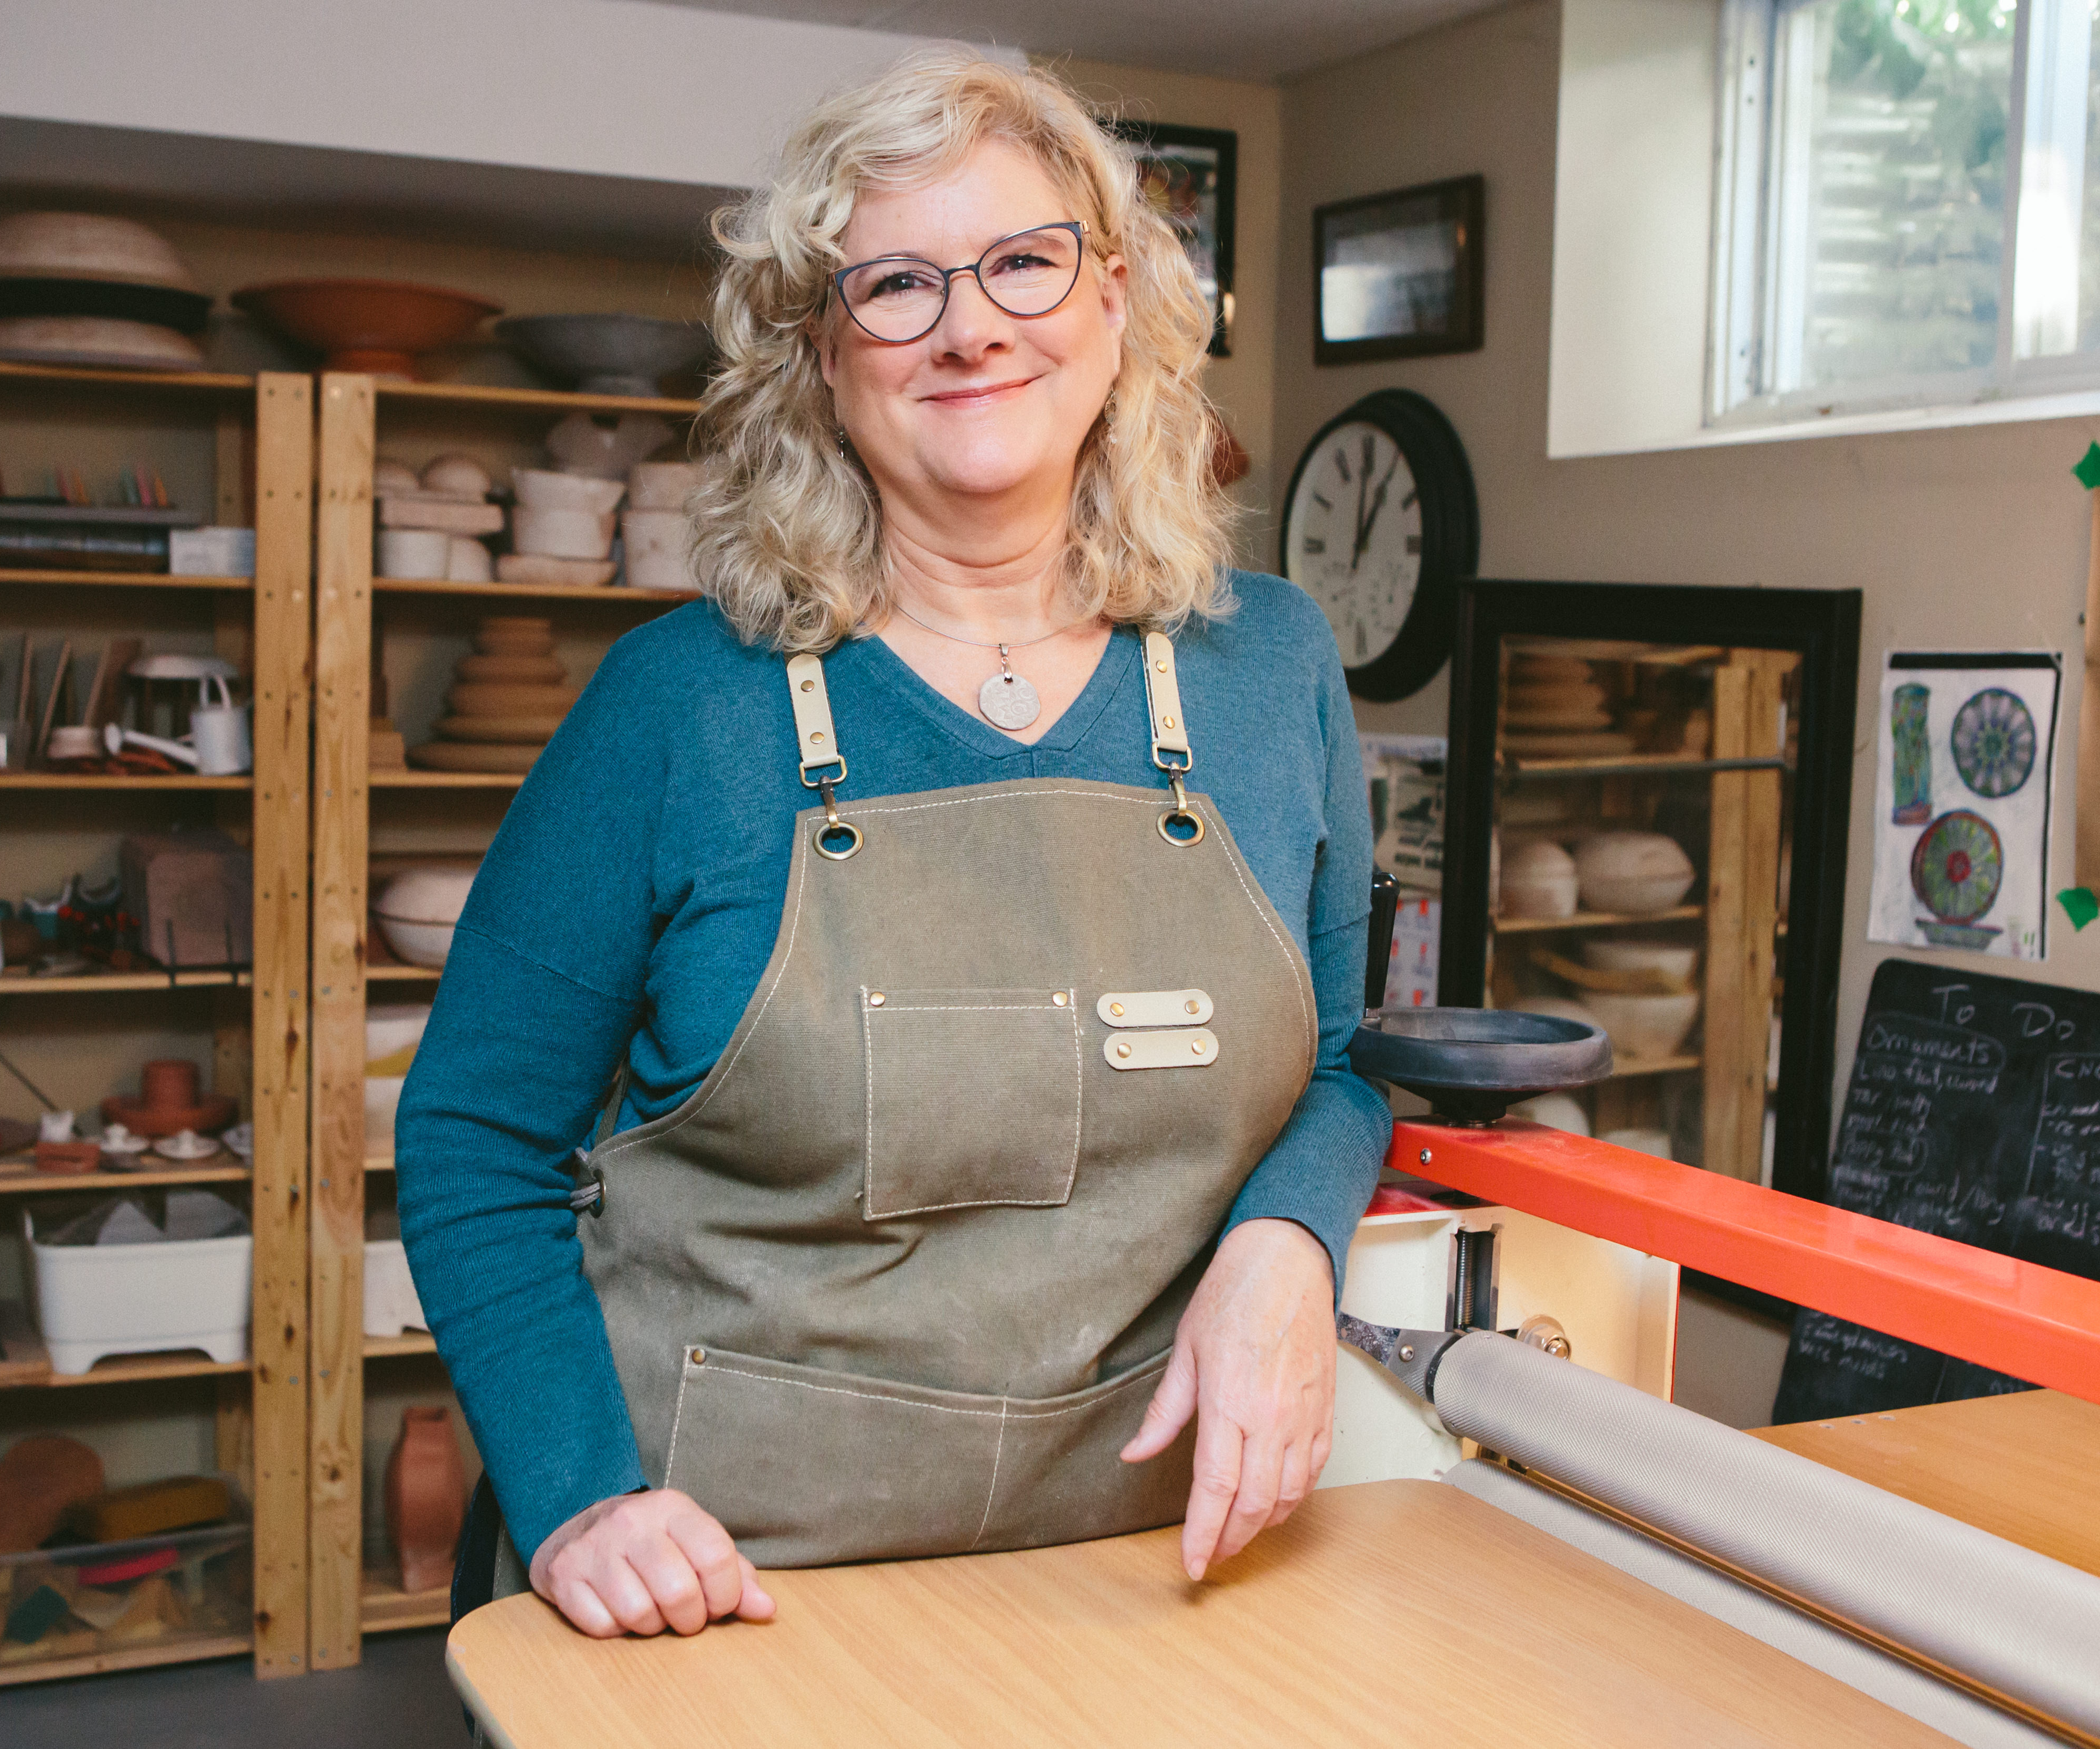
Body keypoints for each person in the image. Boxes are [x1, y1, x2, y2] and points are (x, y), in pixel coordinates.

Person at [396, 49, 1389, 1641]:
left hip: (1141, 1577)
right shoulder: (680, 709)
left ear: (1115, 301)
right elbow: (471, 1135)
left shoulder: (1271, 670)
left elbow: (1343, 1065)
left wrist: (1289, 1245)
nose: (972, 324)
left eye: (1022, 261)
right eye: (898, 285)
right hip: (726, 1591)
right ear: (821, 355)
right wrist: (580, 1498)